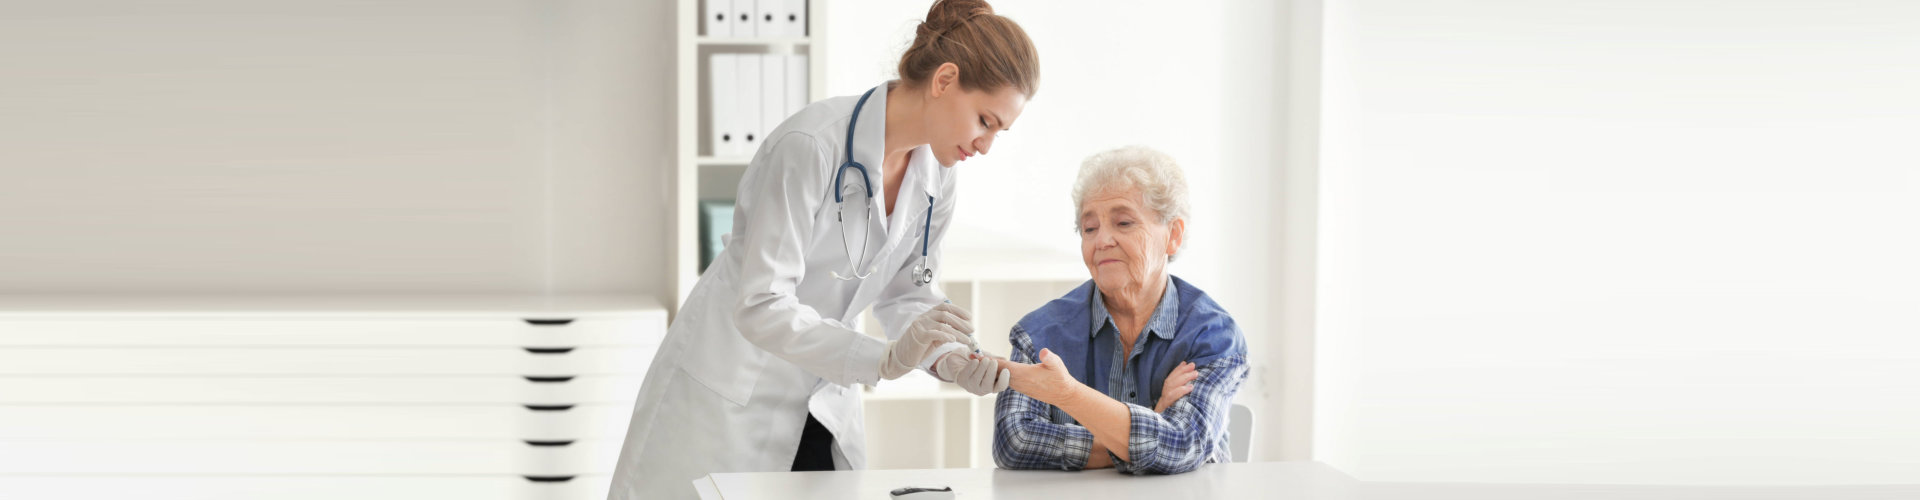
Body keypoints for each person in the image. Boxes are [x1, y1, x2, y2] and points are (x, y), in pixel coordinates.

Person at [607, 1, 1039, 498]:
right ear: (944, 80)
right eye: (985, 121)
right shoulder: (810, 145)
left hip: (823, 399)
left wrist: (951, 360)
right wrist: (884, 359)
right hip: (733, 390)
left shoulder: (938, 176)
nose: (985, 145)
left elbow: (907, 296)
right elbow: (762, 304)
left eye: (998, 132)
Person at [992, 146, 1250, 474]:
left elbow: (1184, 444)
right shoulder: (1040, 333)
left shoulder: (1214, 335)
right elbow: (1013, 443)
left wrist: (1069, 395)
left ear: (1172, 235)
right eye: (1089, 228)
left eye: (1123, 222)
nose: (1102, 240)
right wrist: (1154, 420)